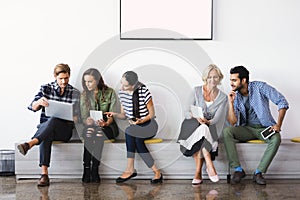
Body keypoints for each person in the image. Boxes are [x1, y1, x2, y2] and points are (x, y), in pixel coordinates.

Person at [223, 65, 289, 185]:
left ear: (243, 80)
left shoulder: (260, 87)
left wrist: (278, 125)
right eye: (230, 80)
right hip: (246, 129)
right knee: (227, 131)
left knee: (276, 138)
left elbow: (282, 102)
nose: (231, 83)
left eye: (234, 80)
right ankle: (238, 170)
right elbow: (233, 122)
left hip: (264, 128)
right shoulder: (235, 96)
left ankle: (259, 172)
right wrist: (231, 103)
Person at [17, 63, 80, 186]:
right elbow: (32, 107)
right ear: (55, 76)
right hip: (46, 130)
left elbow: (79, 119)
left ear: (69, 76)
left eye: (66, 78)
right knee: (48, 129)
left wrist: (72, 116)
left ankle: (31, 143)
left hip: (64, 131)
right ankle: (44, 175)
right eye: (60, 78)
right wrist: (39, 102)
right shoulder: (45, 88)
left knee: (53, 121)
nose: (63, 81)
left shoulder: (75, 92)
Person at [105, 71, 163, 184]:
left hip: (149, 125)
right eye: (121, 83)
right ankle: (157, 172)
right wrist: (114, 114)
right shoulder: (122, 93)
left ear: (133, 85)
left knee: (129, 131)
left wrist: (141, 120)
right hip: (136, 127)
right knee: (137, 140)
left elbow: (151, 114)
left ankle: (130, 169)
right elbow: (124, 115)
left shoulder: (143, 91)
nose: (122, 87)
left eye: (125, 85)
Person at [177, 64, 228, 185]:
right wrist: (195, 117)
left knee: (205, 128)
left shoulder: (223, 97)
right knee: (202, 130)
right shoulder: (196, 91)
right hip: (191, 125)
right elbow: (186, 112)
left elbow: (216, 119)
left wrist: (207, 121)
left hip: (209, 126)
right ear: (205, 78)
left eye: (215, 77)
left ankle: (198, 172)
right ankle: (209, 163)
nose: (212, 80)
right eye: (209, 77)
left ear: (219, 78)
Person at [80, 68, 119, 183]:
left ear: (97, 80)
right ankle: (86, 168)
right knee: (89, 132)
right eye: (85, 82)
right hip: (90, 126)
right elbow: (83, 117)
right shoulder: (84, 95)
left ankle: (95, 168)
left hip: (107, 127)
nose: (87, 84)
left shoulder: (110, 92)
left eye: (90, 81)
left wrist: (106, 122)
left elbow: (112, 115)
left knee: (98, 133)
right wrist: (88, 121)